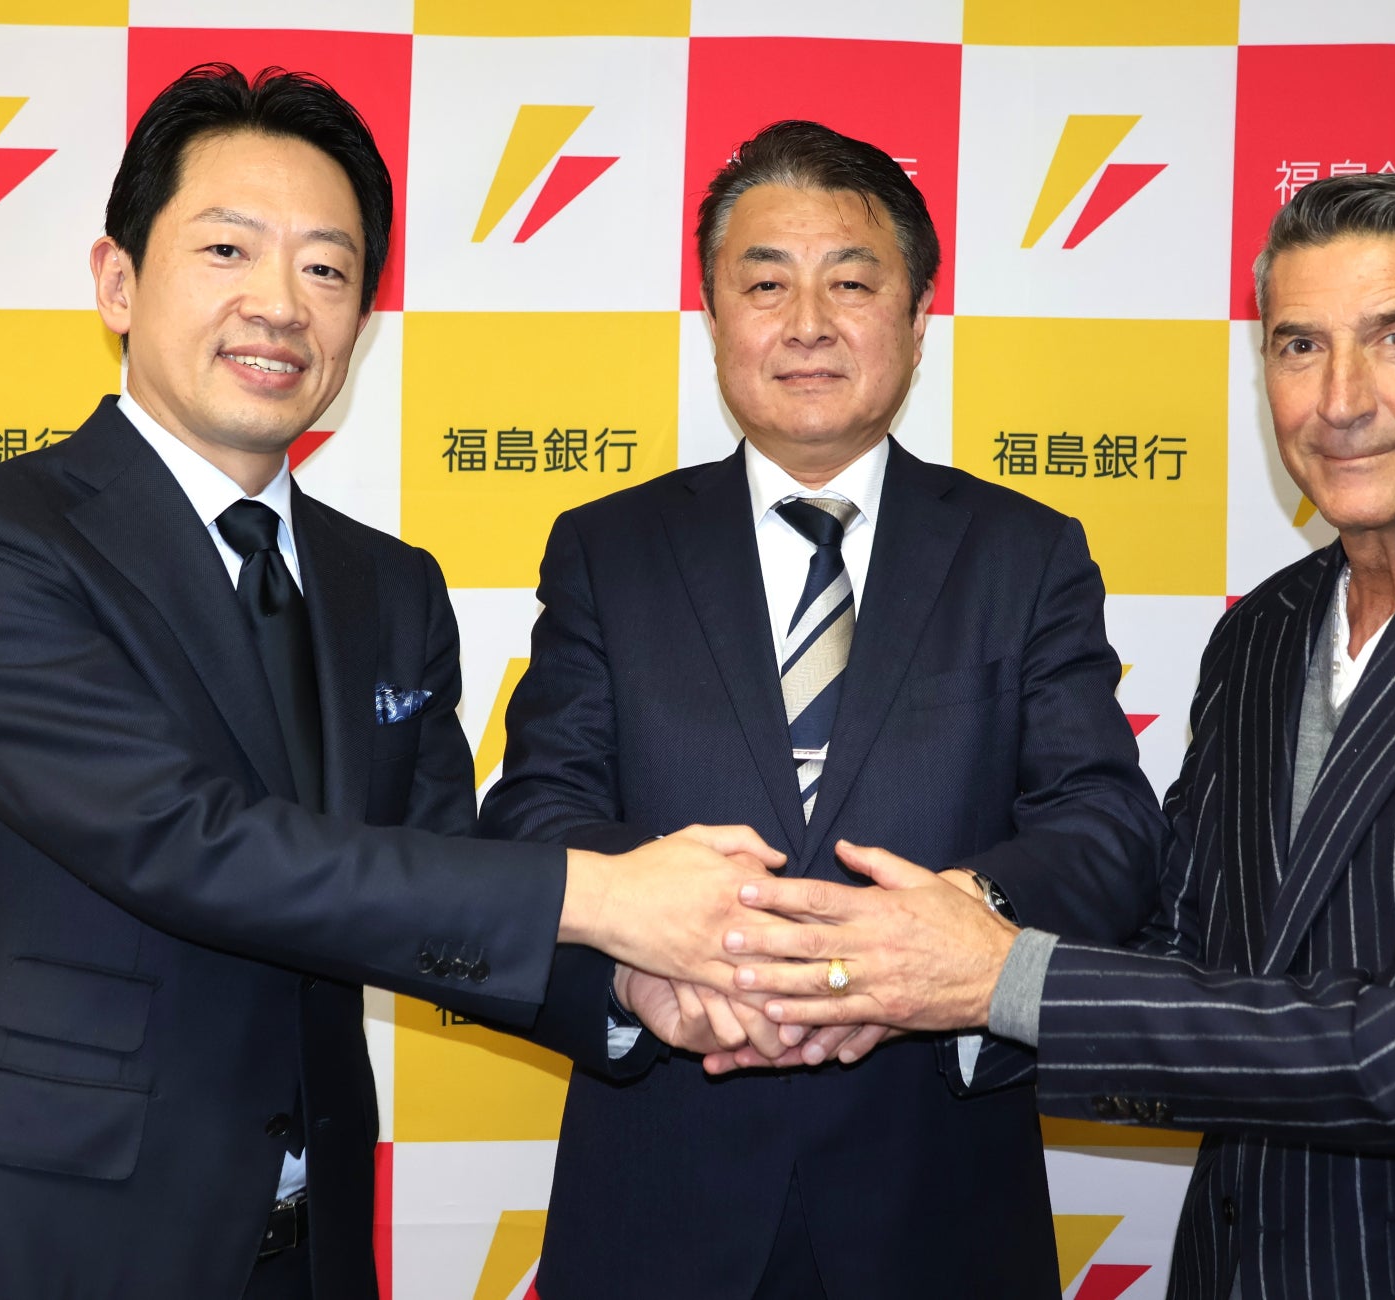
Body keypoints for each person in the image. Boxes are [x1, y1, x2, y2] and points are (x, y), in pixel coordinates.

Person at [0, 64, 788, 1300]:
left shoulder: (389, 587)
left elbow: (436, 869)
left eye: (328, 269)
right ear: (118, 282)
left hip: (312, 1249)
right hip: (47, 1242)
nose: (280, 304)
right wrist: (602, 894)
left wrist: (626, 987)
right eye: (227, 249)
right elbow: (183, 840)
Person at [724, 173, 1395, 1299]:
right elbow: (1181, 949)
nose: (1340, 398)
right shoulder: (1265, 634)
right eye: (1299, 347)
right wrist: (889, 982)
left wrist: (994, 976)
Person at [478, 119, 1167, 1299]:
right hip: (663, 1200)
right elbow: (537, 816)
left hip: (939, 1198)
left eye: (850, 282)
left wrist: (953, 931)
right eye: (765, 284)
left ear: (917, 318)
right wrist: (651, 973)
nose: (807, 323)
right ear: (714, 320)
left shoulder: (1026, 553)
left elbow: (1106, 829)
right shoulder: (608, 550)